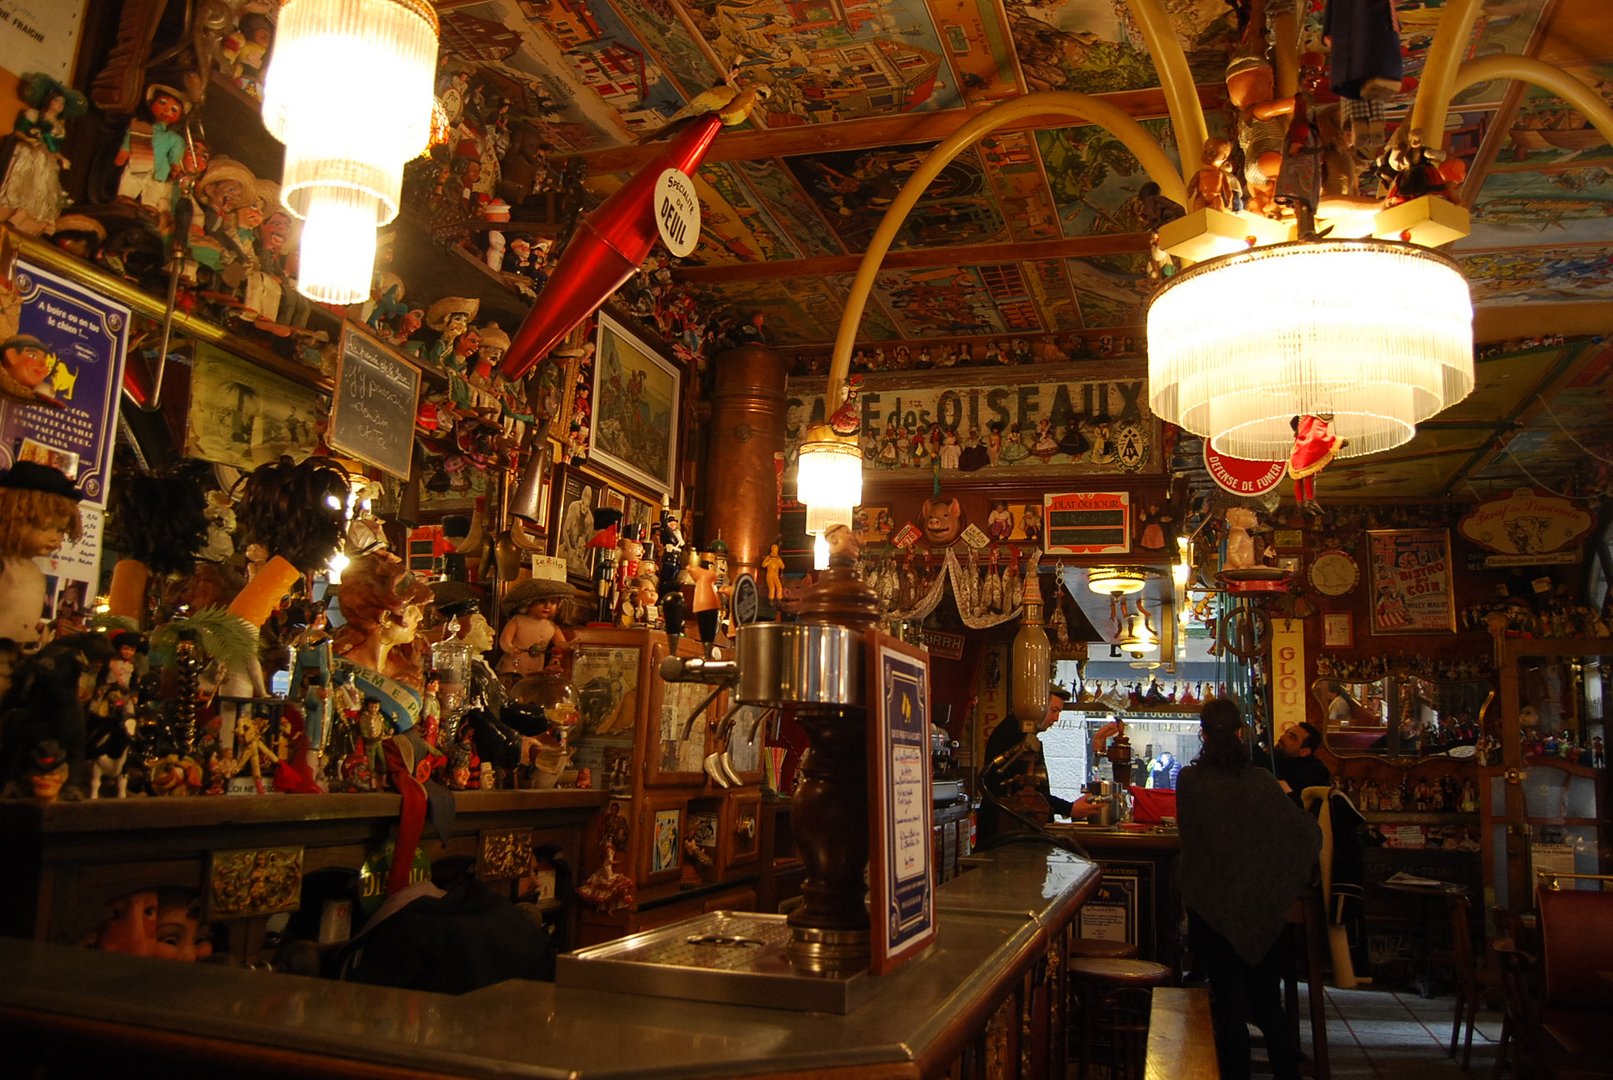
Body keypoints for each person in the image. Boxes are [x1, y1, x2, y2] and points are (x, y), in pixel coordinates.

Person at [1177, 698, 1322, 1080]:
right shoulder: (1261, 781)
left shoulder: (1190, 782)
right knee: (1267, 1001)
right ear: (1241, 733)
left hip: (1214, 908)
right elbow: (1306, 835)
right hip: (1262, 907)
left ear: (1203, 734)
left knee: (1228, 1007)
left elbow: (1192, 844)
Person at [980, 683, 1100, 835]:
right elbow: (1024, 794)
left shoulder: (1026, 736)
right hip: (1003, 828)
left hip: (1012, 826)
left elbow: (1035, 791)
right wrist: (1069, 809)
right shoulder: (1013, 735)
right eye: (1054, 711)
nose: (1056, 719)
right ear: (1037, 706)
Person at [1273, 720, 1331, 803]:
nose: (1282, 737)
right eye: (1286, 733)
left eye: (1292, 737)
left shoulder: (1313, 772)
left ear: (1304, 751)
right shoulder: (1278, 757)